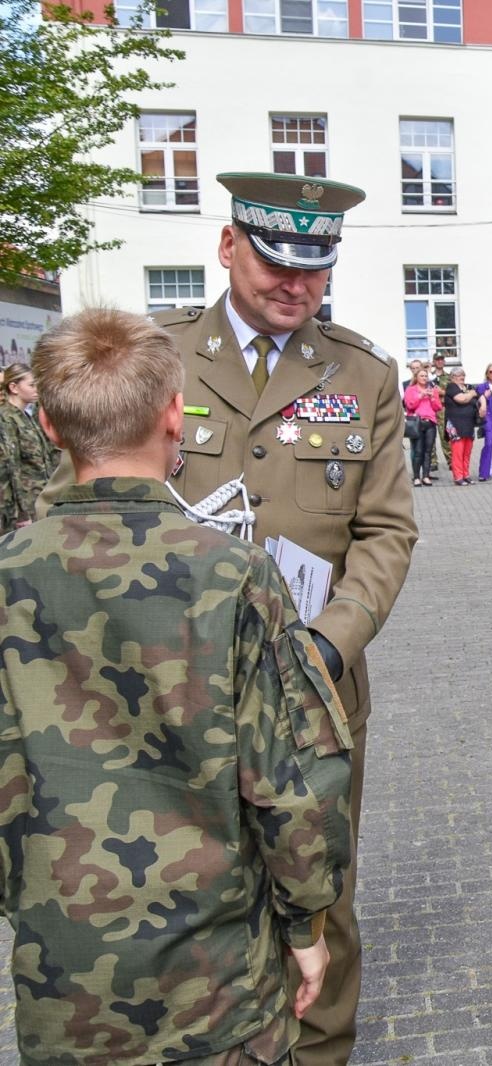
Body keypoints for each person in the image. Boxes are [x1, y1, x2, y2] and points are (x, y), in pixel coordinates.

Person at [42, 172, 415, 1065]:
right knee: (177, 884)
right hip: (164, 692)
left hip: (311, 691)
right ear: (227, 247)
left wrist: (330, 641)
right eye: (276, 266)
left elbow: (387, 531)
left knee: (321, 894)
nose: (295, 287)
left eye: (314, 272)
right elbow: (76, 508)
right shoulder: (156, 357)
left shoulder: (362, 374)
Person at [6, 308, 353, 1064]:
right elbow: (292, 779)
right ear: (174, 414)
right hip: (220, 977)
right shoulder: (231, 573)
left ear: (51, 427)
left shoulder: (10, 574)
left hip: (63, 975)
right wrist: (308, 927)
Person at [0, 363, 57, 535]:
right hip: (22, 506)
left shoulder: (26, 417)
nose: (36, 390)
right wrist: (22, 513)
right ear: (14, 387)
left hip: (38, 499)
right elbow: (12, 468)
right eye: (31, 385)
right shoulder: (6, 419)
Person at [403, 360, 442, 487]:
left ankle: (425, 476)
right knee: (418, 450)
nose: (424, 378)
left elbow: (438, 407)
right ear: (417, 377)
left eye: (426, 376)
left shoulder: (432, 389)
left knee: (428, 450)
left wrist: (432, 397)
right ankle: (416, 477)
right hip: (417, 422)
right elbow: (409, 405)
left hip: (430, 422)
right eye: (422, 376)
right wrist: (420, 395)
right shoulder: (411, 389)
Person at [444, 367, 479, 483]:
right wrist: (472, 394)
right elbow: (462, 399)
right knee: (458, 452)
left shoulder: (468, 387)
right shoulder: (451, 387)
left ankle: (466, 474)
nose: (462, 377)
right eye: (459, 375)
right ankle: (458, 476)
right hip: (455, 425)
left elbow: (478, 399)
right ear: (453, 377)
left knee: (467, 451)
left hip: (468, 424)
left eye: (463, 375)